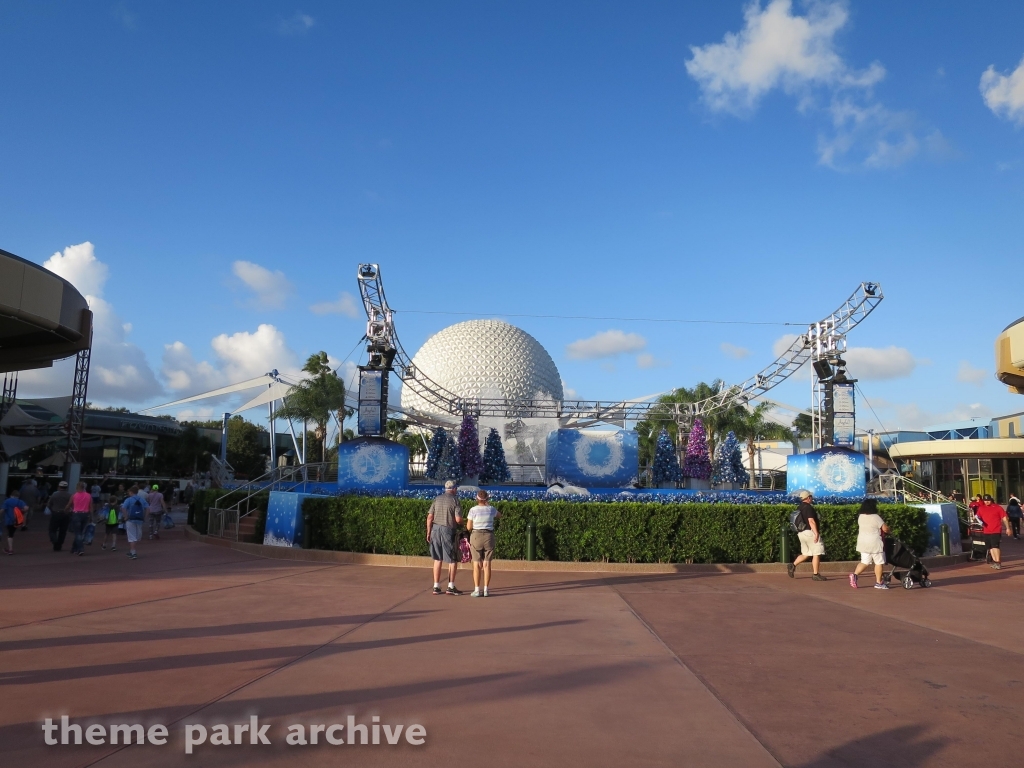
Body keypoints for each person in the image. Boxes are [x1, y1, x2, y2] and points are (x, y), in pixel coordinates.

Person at [426, 480, 463, 595]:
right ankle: (451, 586)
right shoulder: (455, 500)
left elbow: (429, 517)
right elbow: (458, 519)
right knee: (452, 559)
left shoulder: (437, 499)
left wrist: (428, 532)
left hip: (435, 530)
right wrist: (463, 523)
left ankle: (436, 586)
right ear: (454, 489)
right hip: (448, 530)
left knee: (438, 559)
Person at [849, 499, 890, 590]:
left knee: (864, 562)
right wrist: (889, 529)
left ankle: (855, 575)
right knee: (879, 562)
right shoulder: (876, 517)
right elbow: (885, 529)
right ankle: (878, 582)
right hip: (875, 543)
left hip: (863, 543)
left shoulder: (861, 516)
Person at [466, 490, 501, 597]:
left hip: (476, 536)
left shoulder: (473, 510)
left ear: (477, 499)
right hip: (488, 536)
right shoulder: (491, 509)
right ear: (487, 499)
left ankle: (477, 590)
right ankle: (486, 589)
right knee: (487, 564)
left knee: (476, 564)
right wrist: (488, 505)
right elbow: (499, 515)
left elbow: (469, 527)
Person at [788, 489, 827, 581]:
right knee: (817, 553)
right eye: (811, 497)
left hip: (801, 533)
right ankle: (815, 574)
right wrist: (816, 533)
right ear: (808, 498)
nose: (812, 498)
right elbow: (811, 521)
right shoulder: (809, 508)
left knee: (806, 553)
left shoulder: (799, 507)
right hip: (810, 532)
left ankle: (792, 565)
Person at [975, 494, 1012, 569]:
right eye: (985, 500)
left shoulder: (998, 508)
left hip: (996, 530)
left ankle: (998, 562)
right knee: (990, 547)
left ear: (991, 500)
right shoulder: (981, 508)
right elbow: (977, 517)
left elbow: (1004, 518)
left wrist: (1008, 528)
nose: (987, 502)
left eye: (988, 500)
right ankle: (995, 561)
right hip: (986, 530)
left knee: (995, 546)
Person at [121, 485, 148, 560]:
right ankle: (131, 551)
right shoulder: (142, 499)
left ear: (131, 492)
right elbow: (148, 508)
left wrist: (125, 516)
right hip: (139, 519)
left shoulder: (128, 499)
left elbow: (123, 508)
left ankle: (133, 552)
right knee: (137, 536)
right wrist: (144, 518)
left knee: (131, 537)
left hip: (130, 519)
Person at [46, 481, 73, 552]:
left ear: (59, 487)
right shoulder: (70, 495)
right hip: (65, 514)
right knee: (63, 531)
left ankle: (55, 541)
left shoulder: (54, 495)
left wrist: (52, 510)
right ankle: (60, 544)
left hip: (56, 513)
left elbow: (49, 504)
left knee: (52, 530)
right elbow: (72, 505)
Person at [68, 482, 93, 556]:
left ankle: (80, 548)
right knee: (80, 532)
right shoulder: (89, 496)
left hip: (76, 514)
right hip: (85, 514)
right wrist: (91, 516)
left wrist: (65, 509)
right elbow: (91, 507)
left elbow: (69, 504)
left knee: (77, 533)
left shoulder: (74, 495)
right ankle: (74, 548)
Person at [2, 490, 28, 554]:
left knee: (10, 534)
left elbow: (2, 510)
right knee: (11, 533)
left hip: (8, 520)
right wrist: (22, 511)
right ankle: (9, 548)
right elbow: (26, 508)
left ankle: (10, 549)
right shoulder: (20, 501)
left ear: (11, 495)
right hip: (17, 520)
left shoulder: (7, 501)